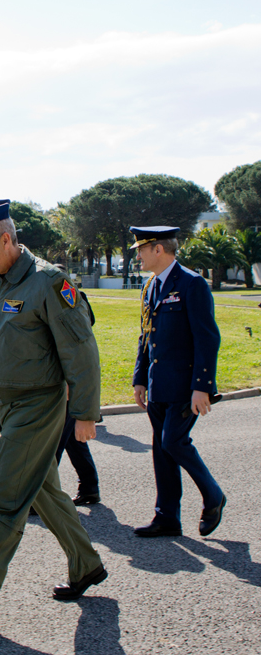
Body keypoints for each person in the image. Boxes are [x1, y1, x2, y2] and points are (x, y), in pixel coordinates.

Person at [0, 200, 105, 636]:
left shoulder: (48, 282)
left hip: (38, 404)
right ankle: (87, 565)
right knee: (43, 490)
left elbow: (80, 349)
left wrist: (86, 413)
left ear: (7, 239)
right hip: (1, 405)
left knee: (5, 496)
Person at [130, 225, 225, 538]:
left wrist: (202, 387)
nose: (138, 256)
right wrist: (140, 378)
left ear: (159, 249)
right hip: (159, 383)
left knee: (173, 442)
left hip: (185, 385)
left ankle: (213, 495)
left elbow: (207, 338)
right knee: (161, 448)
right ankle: (167, 517)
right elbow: (147, 336)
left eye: (141, 249)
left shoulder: (191, 283)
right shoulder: (152, 287)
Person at [0, 283, 101, 507]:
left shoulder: (67, 299)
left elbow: (78, 350)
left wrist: (71, 389)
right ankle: (89, 487)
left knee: (48, 449)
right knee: (72, 440)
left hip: (60, 387)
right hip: (49, 384)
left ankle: (38, 497)